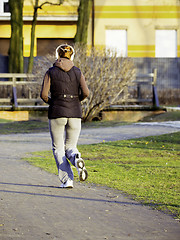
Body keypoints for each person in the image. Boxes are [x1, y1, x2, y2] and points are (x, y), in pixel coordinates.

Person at [40, 44, 89, 188]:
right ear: (72, 56)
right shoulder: (78, 72)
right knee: (71, 146)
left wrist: (54, 102)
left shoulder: (51, 72)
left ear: (58, 55)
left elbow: (43, 95)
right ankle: (76, 158)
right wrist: (75, 101)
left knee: (58, 148)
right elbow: (86, 93)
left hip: (57, 113)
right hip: (75, 112)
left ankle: (67, 180)